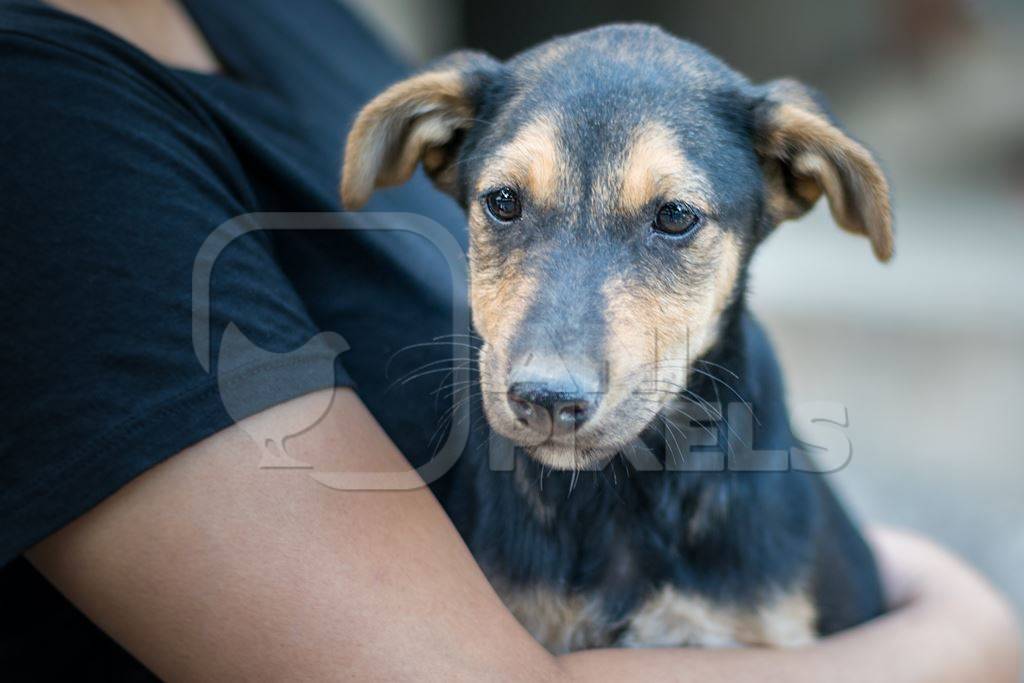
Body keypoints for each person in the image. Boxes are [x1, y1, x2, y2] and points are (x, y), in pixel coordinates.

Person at [0, 0, 1018, 680]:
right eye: (505, 206)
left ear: (799, 187)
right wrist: (963, 632)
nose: (552, 365)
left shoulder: (287, 15)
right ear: (433, 157)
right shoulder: (43, 115)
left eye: (670, 223)